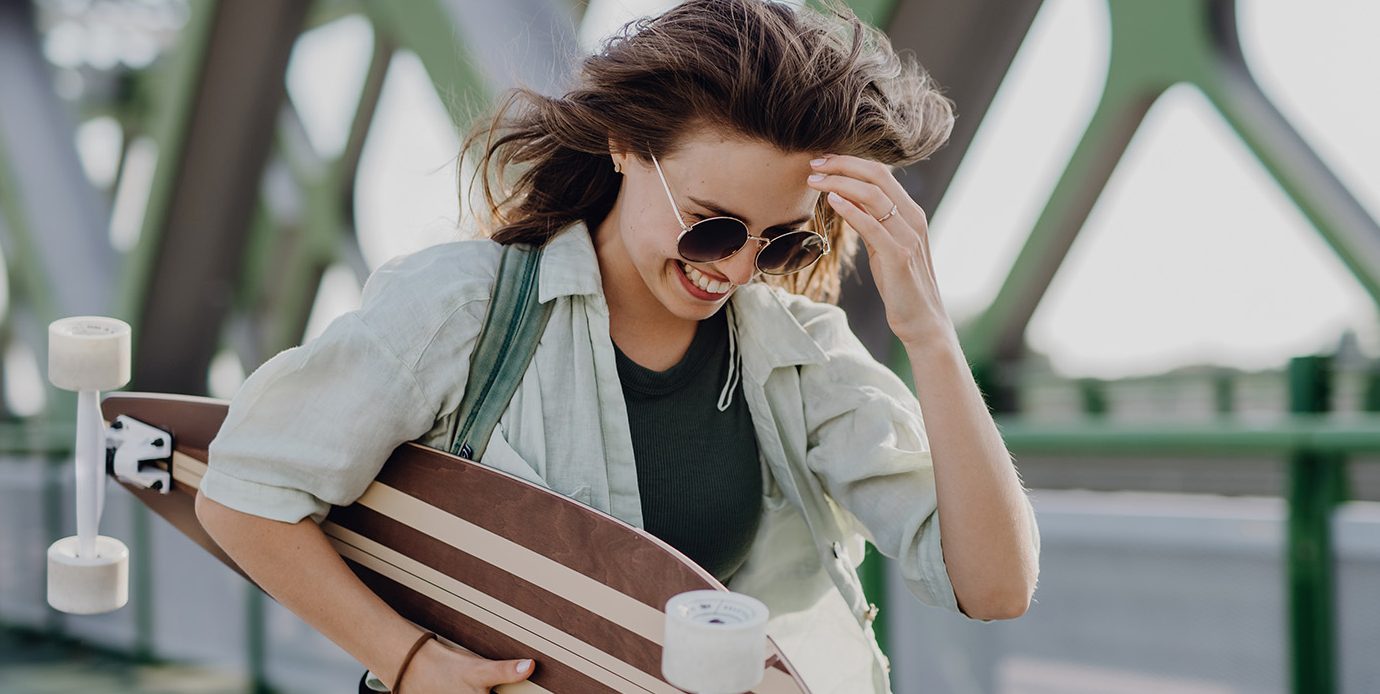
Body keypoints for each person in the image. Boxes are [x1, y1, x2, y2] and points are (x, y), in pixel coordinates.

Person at [194, 0, 1041, 692]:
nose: (739, 269)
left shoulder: (798, 356)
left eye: (782, 243)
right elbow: (243, 494)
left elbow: (993, 587)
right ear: (627, 147)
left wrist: (928, 334)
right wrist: (409, 662)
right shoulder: (462, 307)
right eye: (712, 226)